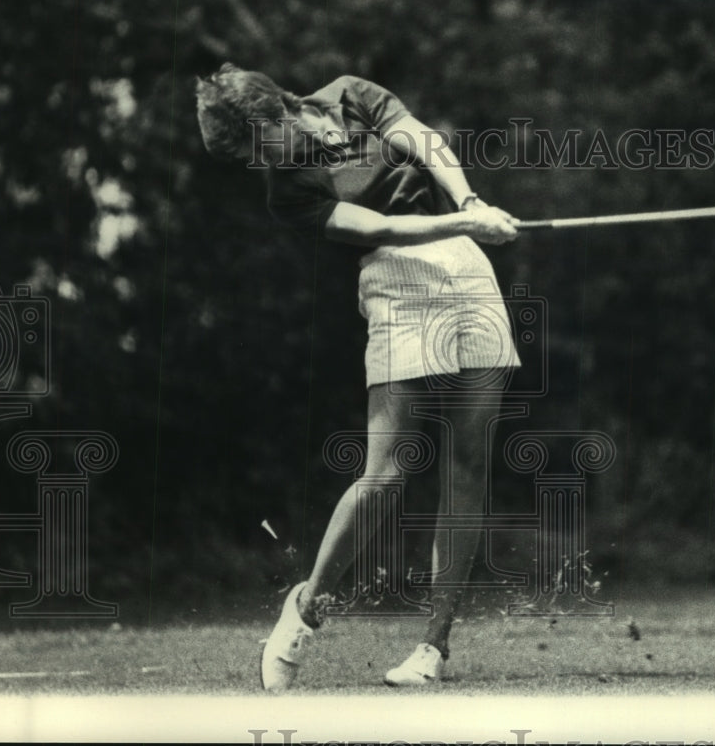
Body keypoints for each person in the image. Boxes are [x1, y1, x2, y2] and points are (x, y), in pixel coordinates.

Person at [195, 64, 521, 691]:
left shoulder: (352, 95)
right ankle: (308, 608)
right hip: (395, 283)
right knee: (386, 474)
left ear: (275, 113)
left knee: (469, 464)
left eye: (255, 147)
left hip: (466, 270)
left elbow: (424, 140)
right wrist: (464, 221)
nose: (255, 164)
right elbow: (377, 228)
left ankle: (433, 646)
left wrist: (471, 202)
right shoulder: (285, 191)